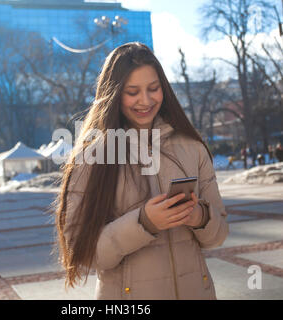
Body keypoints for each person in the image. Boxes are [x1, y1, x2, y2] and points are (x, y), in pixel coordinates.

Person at [54, 43, 229, 300]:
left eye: (153, 89)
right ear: (113, 94)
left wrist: (199, 216)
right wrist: (143, 223)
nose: (145, 101)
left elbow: (219, 234)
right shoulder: (92, 156)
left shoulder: (192, 148)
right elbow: (83, 253)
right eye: (132, 92)